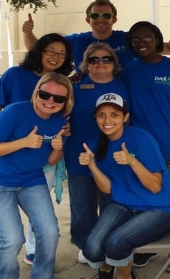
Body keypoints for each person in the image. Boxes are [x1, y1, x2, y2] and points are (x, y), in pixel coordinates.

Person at [0, 33, 74, 278]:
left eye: (58, 98)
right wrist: (22, 141)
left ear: (66, 101)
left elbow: (52, 160)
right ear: (36, 93)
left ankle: (43, 274)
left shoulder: (59, 121)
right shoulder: (14, 109)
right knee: (12, 237)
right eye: (45, 95)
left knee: (50, 232)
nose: (51, 100)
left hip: (30, 178)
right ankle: (3, 273)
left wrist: (57, 146)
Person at [121, 21, 170, 272]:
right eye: (136, 40)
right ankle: (149, 246)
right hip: (140, 150)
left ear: (157, 40)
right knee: (145, 200)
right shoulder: (129, 71)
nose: (141, 43)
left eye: (147, 38)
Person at [78, 93, 170, 279]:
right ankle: (107, 270)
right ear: (95, 118)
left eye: (114, 114)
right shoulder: (96, 144)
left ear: (125, 117)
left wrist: (132, 161)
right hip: (123, 204)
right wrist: (92, 165)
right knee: (92, 248)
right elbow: (107, 189)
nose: (107, 120)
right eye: (101, 115)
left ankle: (124, 276)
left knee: (115, 243)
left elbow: (155, 187)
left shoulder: (141, 139)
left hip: (160, 209)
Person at [63, 43, 130, 262]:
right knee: (82, 205)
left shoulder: (124, 85)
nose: (100, 63)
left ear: (114, 63)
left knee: (112, 204)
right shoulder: (75, 84)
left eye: (106, 59)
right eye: (94, 59)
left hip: (113, 156)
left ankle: (110, 243)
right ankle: (85, 245)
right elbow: (58, 111)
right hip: (79, 153)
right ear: (85, 64)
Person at [22, 0, 170, 71]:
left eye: (106, 15)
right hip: (86, 94)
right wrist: (27, 32)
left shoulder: (128, 39)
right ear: (88, 19)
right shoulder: (76, 40)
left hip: (122, 96)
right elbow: (36, 48)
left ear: (114, 19)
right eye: (95, 16)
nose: (101, 19)